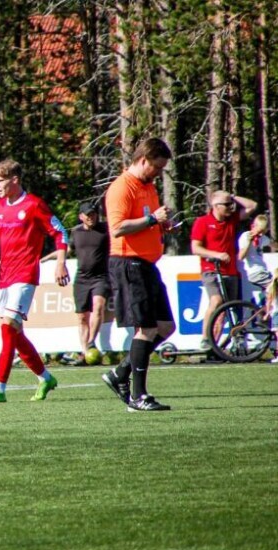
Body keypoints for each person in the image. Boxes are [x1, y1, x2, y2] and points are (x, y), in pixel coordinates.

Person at [0, 159, 70, 403]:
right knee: (15, 334)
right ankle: (45, 378)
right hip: (5, 276)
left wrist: (60, 262)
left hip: (25, 275)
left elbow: (60, 231)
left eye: (0, 180)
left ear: (15, 180)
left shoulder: (33, 205)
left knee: (7, 327)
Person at [100, 137, 175, 412]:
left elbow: (146, 222)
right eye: (155, 167)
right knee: (146, 329)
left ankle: (120, 373)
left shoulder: (148, 187)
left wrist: (161, 227)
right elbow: (117, 228)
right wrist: (153, 219)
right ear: (143, 160)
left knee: (165, 327)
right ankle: (138, 397)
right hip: (128, 263)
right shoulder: (122, 187)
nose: (157, 172)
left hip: (147, 264)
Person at [190, 190, 257, 351]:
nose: (230, 207)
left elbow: (252, 206)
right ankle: (206, 338)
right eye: (226, 204)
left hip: (231, 272)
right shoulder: (203, 222)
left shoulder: (231, 220)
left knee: (225, 312)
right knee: (216, 301)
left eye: (231, 204)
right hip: (211, 270)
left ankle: (214, 347)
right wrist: (217, 255)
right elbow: (196, 248)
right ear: (215, 206)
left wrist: (232, 196)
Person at [70, 201, 111, 362]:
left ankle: (91, 342)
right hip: (81, 279)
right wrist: (48, 259)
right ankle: (85, 351)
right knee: (82, 317)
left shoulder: (105, 229)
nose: (91, 217)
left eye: (93, 214)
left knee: (98, 307)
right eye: (88, 215)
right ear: (81, 217)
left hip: (101, 277)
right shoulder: (76, 232)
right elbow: (66, 250)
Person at [237, 214, 274, 302]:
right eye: (260, 231)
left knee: (271, 292)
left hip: (262, 270)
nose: (261, 234)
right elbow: (241, 256)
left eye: (263, 232)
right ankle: (268, 310)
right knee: (274, 287)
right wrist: (249, 242)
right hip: (255, 272)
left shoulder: (263, 238)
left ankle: (264, 308)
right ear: (254, 226)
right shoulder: (245, 236)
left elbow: (272, 244)